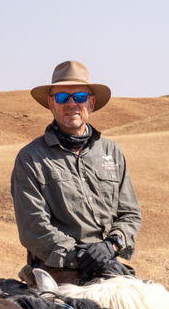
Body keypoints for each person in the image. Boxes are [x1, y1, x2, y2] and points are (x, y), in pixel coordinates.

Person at [9, 60, 142, 283]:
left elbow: (130, 213)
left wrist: (111, 245)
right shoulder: (30, 158)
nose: (71, 104)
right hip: (58, 268)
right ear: (51, 104)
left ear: (91, 102)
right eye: (62, 97)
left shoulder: (111, 152)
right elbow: (34, 227)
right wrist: (80, 256)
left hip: (110, 263)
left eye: (79, 97)